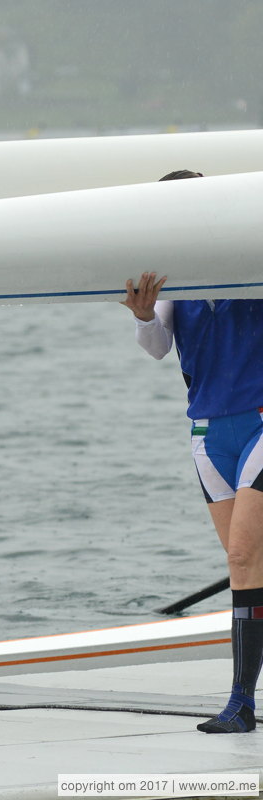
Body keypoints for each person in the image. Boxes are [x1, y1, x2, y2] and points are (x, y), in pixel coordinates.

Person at [122, 168, 263, 734]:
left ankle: (239, 703)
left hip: (259, 424)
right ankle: (244, 701)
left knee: (241, 558)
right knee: (248, 566)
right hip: (207, 433)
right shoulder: (170, 277)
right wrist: (140, 314)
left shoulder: (247, 258)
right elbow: (157, 347)